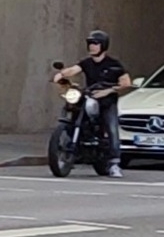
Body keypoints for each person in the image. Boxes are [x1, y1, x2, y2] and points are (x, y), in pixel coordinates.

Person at [52, 30, 135, 177]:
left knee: (112, 129)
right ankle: (72, 147)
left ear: (103, 46)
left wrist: (108, 91)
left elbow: (126, 83)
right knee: (74, 106)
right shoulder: (86, 63)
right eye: (90, 43)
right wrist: (61, 74)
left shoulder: (113, 64)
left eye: (95, 44)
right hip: (89, 96)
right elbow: (73, 69)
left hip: (106, 102)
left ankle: (114, 164)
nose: (92, 46)